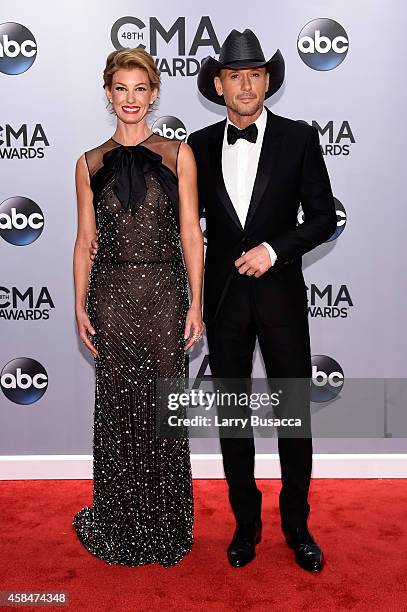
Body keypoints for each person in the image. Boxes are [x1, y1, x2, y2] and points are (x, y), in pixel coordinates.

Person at [187, 29, 336, 572]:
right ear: (219, 84)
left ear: (267, 81)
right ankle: (245, 525)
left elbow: (324, 218)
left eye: (254, 75)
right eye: (234, 76)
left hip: (281, 301)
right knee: (234, 421)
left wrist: (275, 249)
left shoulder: (299, 138)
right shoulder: (198, 146)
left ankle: (297, 527)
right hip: (224, 305)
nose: (245, 85)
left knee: (294, 418)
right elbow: (182, 226)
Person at [72, 47, 204, 567]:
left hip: (166, 296)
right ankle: (121, 521)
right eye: (121, 89)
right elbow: (85, 241)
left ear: (153, 94)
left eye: (140, 88)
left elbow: (192, 234)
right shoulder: (86, 164)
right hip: (110, 297)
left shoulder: (179, 155)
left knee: (163, 410)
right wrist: (80, 304)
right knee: (119, 411)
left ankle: (166, 525)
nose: (131, 99)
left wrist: (195, 302)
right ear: (108, 93)